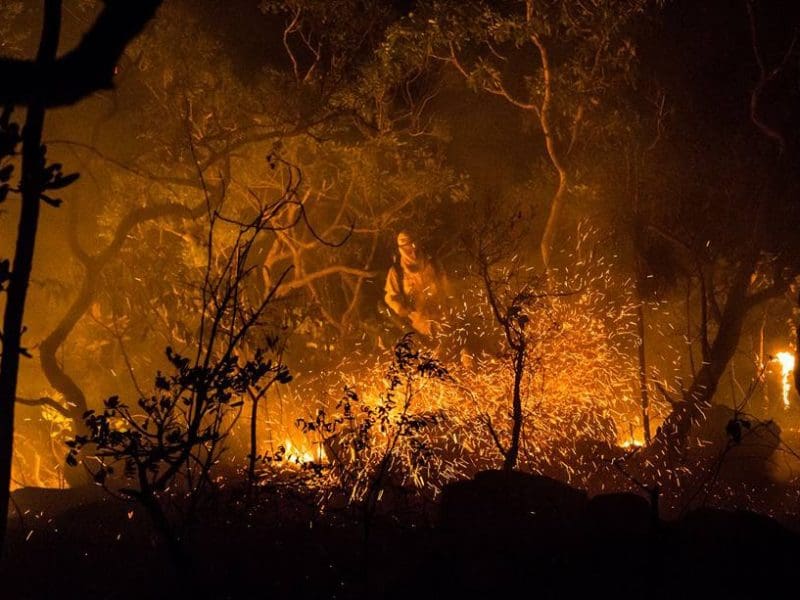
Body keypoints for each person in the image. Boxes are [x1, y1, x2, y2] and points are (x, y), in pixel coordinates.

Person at [384, 231, 449, 338]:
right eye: (408, 248)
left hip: (441, 319)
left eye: (414, 245)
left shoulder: (432, 263)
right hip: (418, 326)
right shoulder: (397, 271)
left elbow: (445, 284)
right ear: (402, 249)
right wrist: (400, 309)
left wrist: (449, 300)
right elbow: (390, 297)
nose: (413, 250)